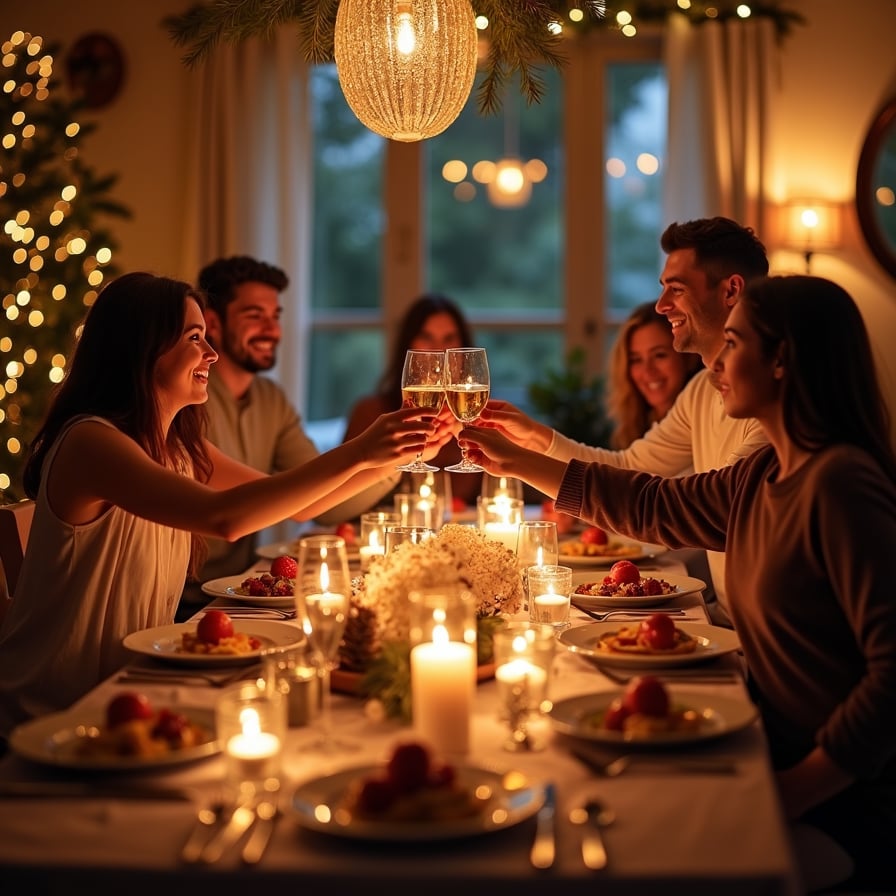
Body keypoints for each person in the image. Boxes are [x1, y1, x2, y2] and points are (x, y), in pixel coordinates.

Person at [461, 274, 896, 892]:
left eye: (735, 344)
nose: (716, 362)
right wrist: (517, 460)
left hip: (841, 796)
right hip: (766, 744)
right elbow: (650, 501)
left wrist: (791, 792)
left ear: (781, 362)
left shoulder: (839, 486)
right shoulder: (763, 473)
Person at [0, 272, 444, 742]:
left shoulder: (177, 446)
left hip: (131, 689)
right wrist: (361, 449)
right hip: (56, 708)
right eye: (195, 338)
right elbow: (225, 518)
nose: (211, 354)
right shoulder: (92, 443)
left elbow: (295, 503)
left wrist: (396, 456)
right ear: (142, 347)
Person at [476, 217, 771, 624]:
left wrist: (518, 462)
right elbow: (632, 468)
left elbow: (705, 508)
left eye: (676, 289)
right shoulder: (703, 390)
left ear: (731, 291)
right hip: (726, 619)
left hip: (755, 637)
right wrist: (538, 440)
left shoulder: (774, 400)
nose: (661, 305)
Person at [184, 256, 403, 616]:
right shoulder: (184, 406)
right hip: (184, 599)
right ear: (214, 324)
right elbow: (300, 505)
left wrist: (393, 461)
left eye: (276, 316)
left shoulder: (271, 399)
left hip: (237, 594)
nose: (272, 330)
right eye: (255, 316)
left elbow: (320, 500)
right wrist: (371, 451)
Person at [342, 292, 482, 506]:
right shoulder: (371, 412)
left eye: (449, 338)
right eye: (427, 337)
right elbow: (338, 502)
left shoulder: (478, 415)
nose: (439, 351)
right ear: (408, 344)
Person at [606, 301, 702, 451]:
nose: (647, 371)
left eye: (659, 355)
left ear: (688, 357)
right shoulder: (634, 427)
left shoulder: (704, 423)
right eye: (636, 360)